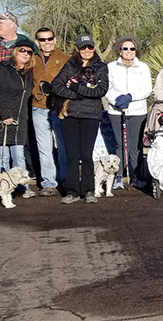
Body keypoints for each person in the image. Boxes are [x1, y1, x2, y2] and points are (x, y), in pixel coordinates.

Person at [50, 33, 109, 204]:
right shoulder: (70, 65)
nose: (87, 50)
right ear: (77, 48)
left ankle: (89, 190)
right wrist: (76, 96)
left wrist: (76, 87)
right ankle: (72, 191)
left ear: (94, 48)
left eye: (90, 47)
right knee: (72, 155)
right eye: (83, 48)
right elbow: (56, 86)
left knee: (86, 154)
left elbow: (100, 91)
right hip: (70, 114)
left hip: (91, 115)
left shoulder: (101, 67)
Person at [105, 37, 154, 188]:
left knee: (135, 145)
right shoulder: (111, 67)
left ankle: (137, 175)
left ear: (136, 50)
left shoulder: (143, 67)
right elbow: (106, 88)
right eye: (125, 48)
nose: (128, 51)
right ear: (119, 51)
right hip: (116, 111)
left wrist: (130, 97)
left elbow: (147, 89)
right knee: (120, 144)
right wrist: (116, 100)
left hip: (137, 111)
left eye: (132, 48)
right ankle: (119, 175)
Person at [29, 27, 71, 197]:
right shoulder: (32, 59)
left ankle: (66, 180)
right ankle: (48, 182)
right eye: (42, 39)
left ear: (55, 39)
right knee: (44, 147)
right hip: (38, 106)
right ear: (37, 41)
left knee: (63, 146)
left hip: (59, 108)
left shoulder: (66, 58)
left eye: (49, 39)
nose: (46, 42)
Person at [0, 38, 36, 178]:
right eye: (22, 50)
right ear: (15, 51)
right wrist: (5, 114)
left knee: (19, 155)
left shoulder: (29, 73)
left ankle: (21, 185)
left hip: (20, 119)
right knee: (3, 156)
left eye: (29, 52)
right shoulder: (2, 69)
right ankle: (2, 184)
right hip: (2, 118)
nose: (25, 54)